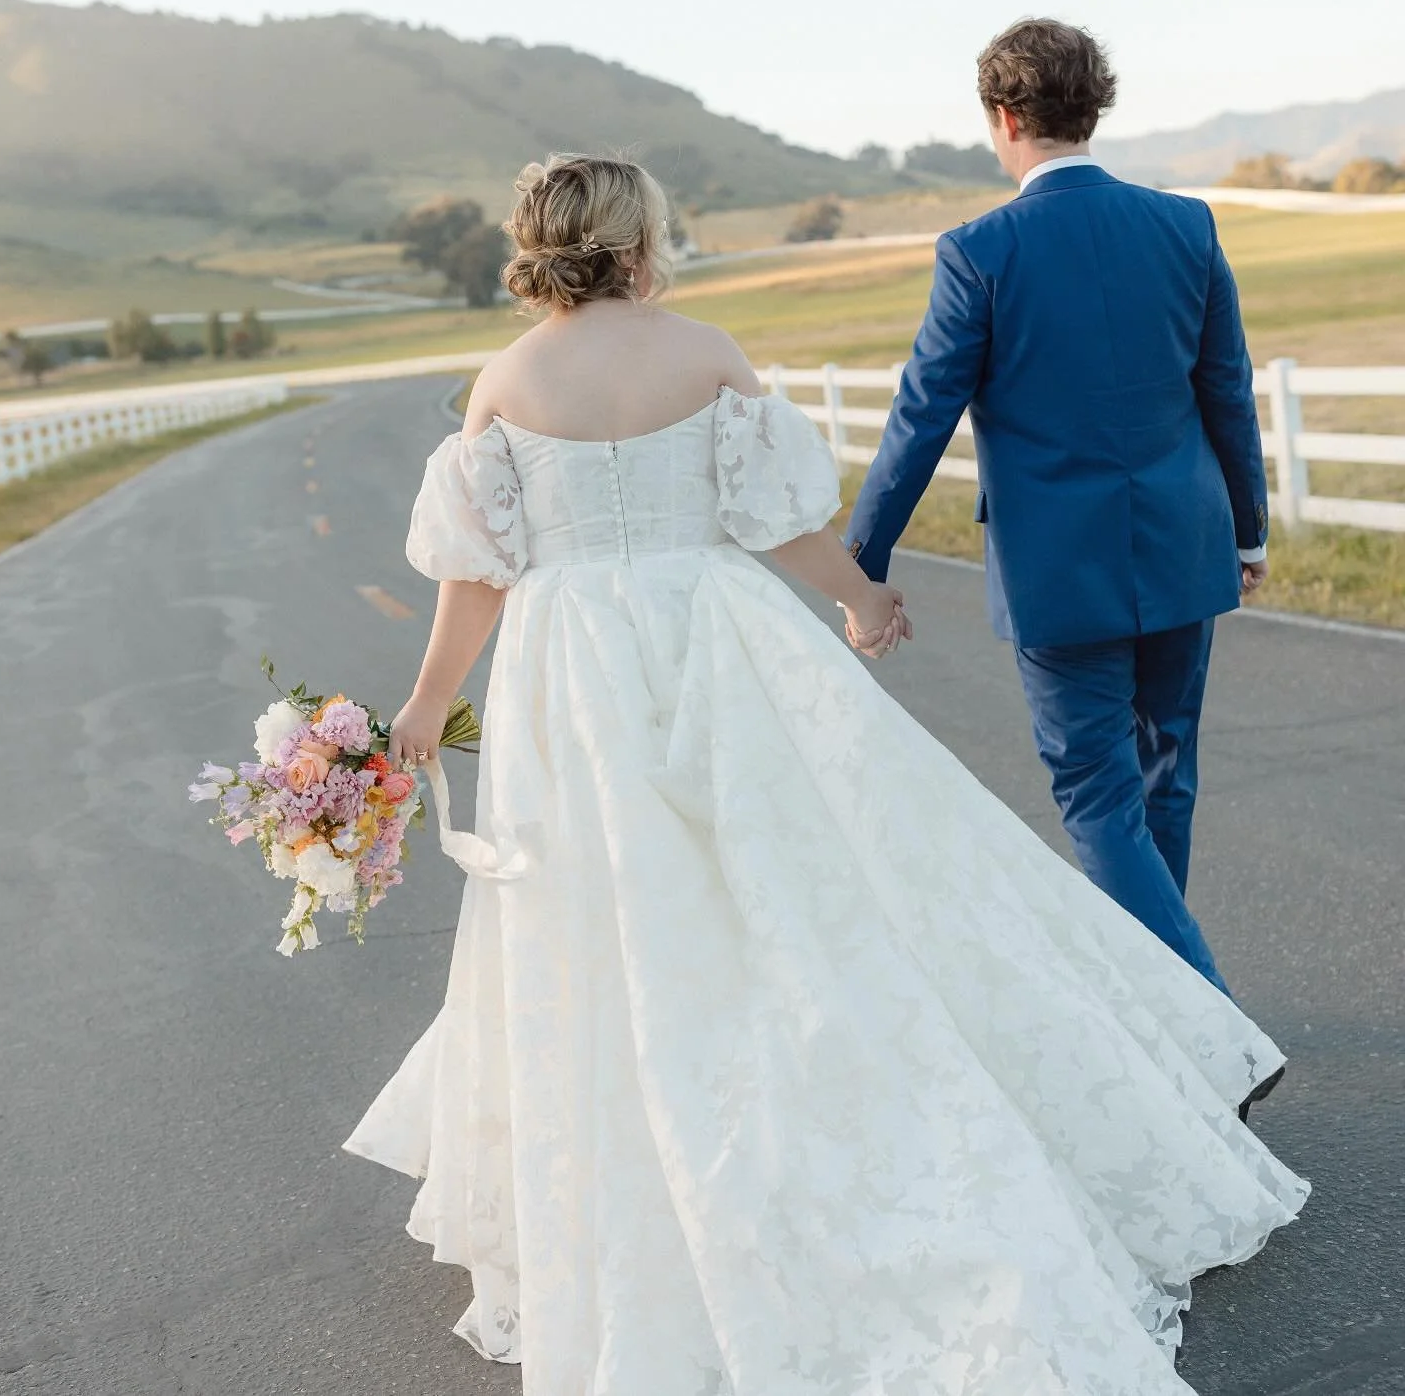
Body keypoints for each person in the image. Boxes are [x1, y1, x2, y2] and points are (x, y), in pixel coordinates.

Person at [345, 154, 1305, 1395]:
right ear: (638, 237)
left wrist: (426, 708)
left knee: (624, 917)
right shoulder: (704, 352)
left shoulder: (506, 380)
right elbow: (772, 517)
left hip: (569, 667)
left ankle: (659, 1165)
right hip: (718, 636)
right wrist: (861, 599)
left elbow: (476, 570)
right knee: (801, 889)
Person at [848, 19, 1268, 1010]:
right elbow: (1229, 393)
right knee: (1165, 774)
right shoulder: (1186, 225)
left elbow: (920, 421)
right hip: (1183, 548)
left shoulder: (980, 251)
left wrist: (862, 565)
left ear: (1004, 119)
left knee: (1095, 795)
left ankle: (1203, 1020)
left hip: (1056, 573)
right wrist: (1246, 529)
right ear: (1095, 106)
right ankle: (1162, 1002)